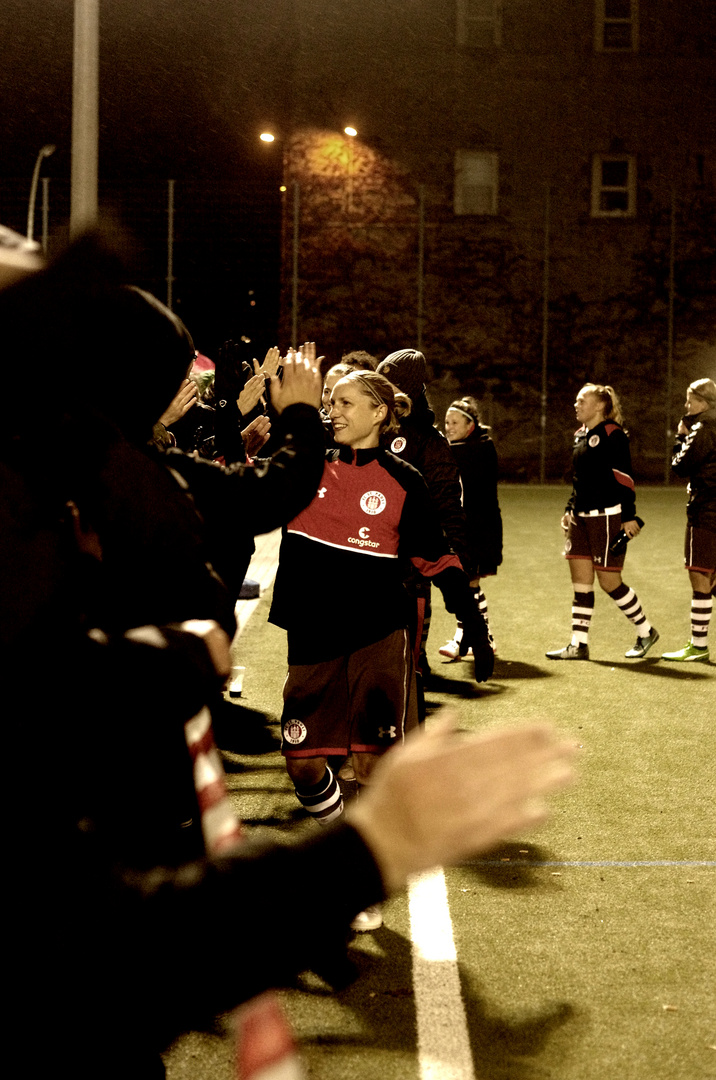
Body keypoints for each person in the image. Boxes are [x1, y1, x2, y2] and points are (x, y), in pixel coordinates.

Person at [269, 369, 493, 930]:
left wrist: (474, 625)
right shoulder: (304, 463)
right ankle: (344, 848)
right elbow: (245, 473)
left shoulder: (404, 479)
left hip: (378, 634)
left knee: (371, 762)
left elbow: (434, 556)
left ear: (379, 413)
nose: (334, 410)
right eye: (329, 402)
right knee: (302, 763)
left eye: (345, 402)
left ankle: (352, 882)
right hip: (312, 636)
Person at [375, 349, 473, 706]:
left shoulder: (429, 443)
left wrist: (459, 572)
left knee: (404, 673)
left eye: (388, 382)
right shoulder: (369, 427)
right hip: (359, 571)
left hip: (404, 573)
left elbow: (447, 509)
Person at [546, 383, 658, 661]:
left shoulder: (613, 434)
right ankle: (578, 644)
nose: (576, 404)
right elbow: (579, 479)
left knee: (610, 582)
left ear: (599, 406)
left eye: (582, 400)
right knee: (581, 582)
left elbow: (625, 478)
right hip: (580, 518)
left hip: (607, 517)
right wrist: (569, 508)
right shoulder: (580, 435)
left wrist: (629, 516)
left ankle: (646, 631)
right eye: (576, 400)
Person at [440, 395, 503, 659]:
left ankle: (471, 637)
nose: (449, 427)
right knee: (466, 584)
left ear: (470, 425)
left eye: (455, 422)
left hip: (478, 530)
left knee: (468, 584)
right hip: (462, 529)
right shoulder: (456, 449)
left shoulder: (480, 449)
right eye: (446, 422)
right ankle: (479, 636)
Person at [661, 377, 716, 662]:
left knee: (699, 574)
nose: (686, 405)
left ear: (704, 403)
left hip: (705, 510)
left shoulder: (704, 428)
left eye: (690, 400)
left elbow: (680, 466)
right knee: (712, 577)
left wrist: (682, 436)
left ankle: (698, 645)